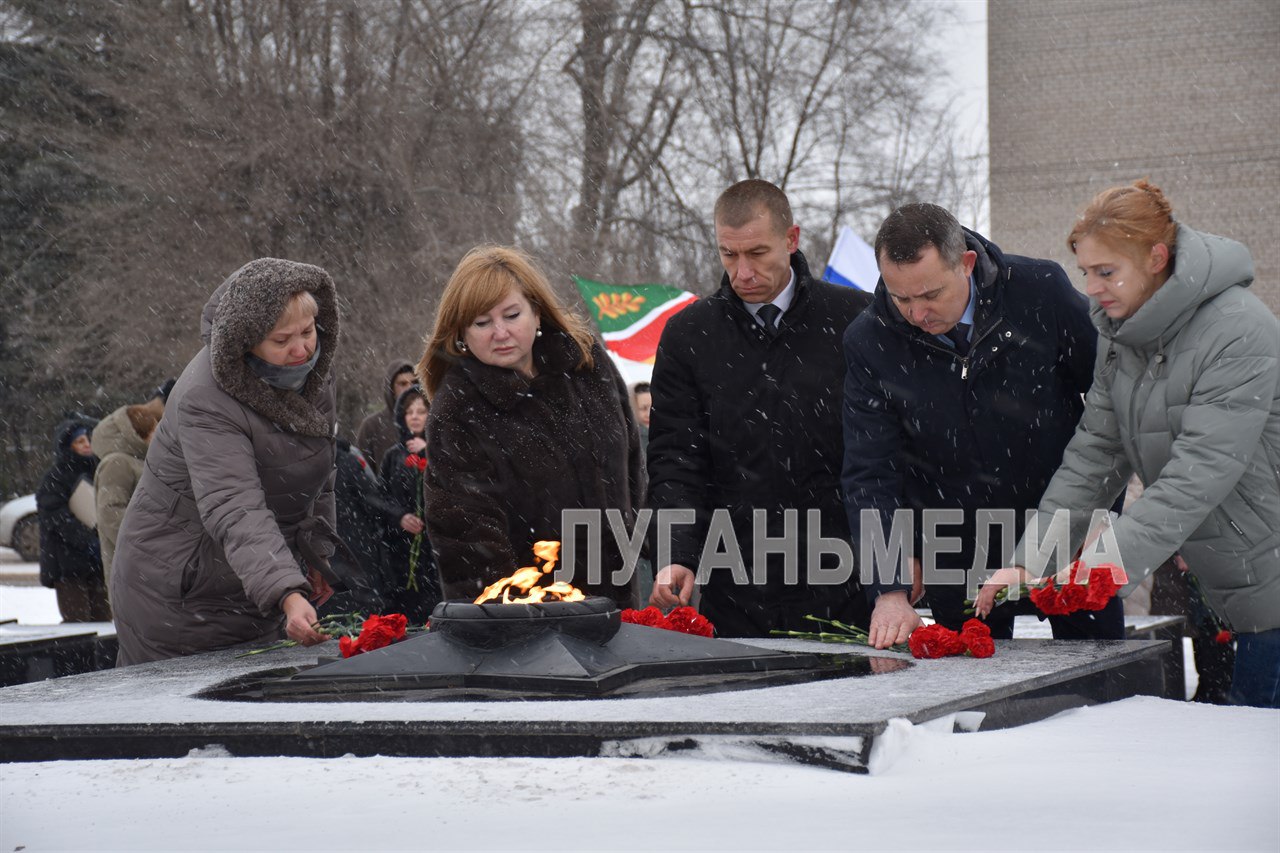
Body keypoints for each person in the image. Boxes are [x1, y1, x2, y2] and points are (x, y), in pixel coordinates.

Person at [976, 180, 1280, 708]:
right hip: (1232, 578)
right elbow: (1094, 455)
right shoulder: (1123, 337)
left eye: (1106, 271)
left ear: (1156, 258)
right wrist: (1032, 561)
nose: (1092, 288)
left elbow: (1196, 475)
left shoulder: (1237, 330)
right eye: (1085, 272)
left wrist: (1100, 567)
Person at [844, 202, 1124, 649]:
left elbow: (1115, 396)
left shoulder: (1039, 290)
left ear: (967, 264)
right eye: (901, 298)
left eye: (931, 294)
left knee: (1102, 671)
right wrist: (889, 586)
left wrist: (1100, 515)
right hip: (954, 546)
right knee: (968, 686)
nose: (917, 313)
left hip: (1061, 527)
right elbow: (870, 470)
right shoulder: (870, 340)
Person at [646, 179, 872, 637]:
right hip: (737, 579)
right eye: (729, 254)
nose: (743, 272)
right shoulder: (689, 334)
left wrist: (900, 554)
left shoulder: (854, 321)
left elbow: (884, 450)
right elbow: (676, 460)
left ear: (792, 239)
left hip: (845, 573)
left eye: (757, 253)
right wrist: (676, 552)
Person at [110, 258, 343, 665]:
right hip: (179, 594)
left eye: (308, 332)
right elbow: (235, 506)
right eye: (282, 340)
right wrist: (286, 591)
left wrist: (316, 553)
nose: (301, 349)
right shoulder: (205, 398)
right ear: (245, 341)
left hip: (251, 579)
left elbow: (319, 474)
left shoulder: (311, 374)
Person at [419, 245, 643, 608]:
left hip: (617, 598)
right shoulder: (457, 409)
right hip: (532, 616)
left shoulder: (588, 365)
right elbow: (468, 537)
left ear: (536, 313)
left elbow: (631, 464)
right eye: (482, 323)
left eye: (511, 315)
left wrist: (645, 549)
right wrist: (516, 618)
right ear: (461, 333)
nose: (500, 332)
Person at [371, 385, 440, 622]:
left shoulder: (442, 450)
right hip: (401, 547)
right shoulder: (393, 455)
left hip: (435, 545)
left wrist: (430, 451)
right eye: (409, 412)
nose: (415, 417)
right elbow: (380, 497)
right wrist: (400, 516)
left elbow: (451, 484)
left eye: (421, 411)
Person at [37, 418, 109, 622]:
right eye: (79, 441)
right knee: (77, 623)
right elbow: (56, 517)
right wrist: (86, 540)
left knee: (104, 620)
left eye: (87, 439)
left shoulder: (98, 470)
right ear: (68, 446)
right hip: (67, 565)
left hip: (96, 564)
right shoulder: (55, 477)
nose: (87, 444)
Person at [92, 396, 163, 590]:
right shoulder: (117, 463)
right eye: (155, 429)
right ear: (139, 434)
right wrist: (150, 545)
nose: (160, 434)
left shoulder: (142, 461)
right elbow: (110, 514)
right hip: (133, 570)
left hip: (148, 566)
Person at [356, 359, 416, 475]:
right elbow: (361, 473)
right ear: (392, 389)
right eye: (403, 384)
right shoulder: (372, 426)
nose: (409, 388)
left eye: (414, 382)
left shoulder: (428, 422)